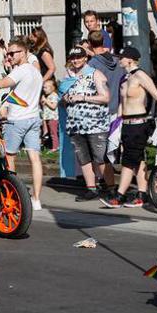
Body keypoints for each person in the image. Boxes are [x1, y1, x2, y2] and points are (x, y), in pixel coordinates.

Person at [0, 39, 45, 202]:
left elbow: (1, 83)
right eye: (8, 53)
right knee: (35, 158)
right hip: (33, 118)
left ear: (24, 52)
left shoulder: (21, 70)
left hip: (17, 120)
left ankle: (14, 195)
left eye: (13, 53)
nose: (9, 56)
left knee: (10, 157)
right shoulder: (35, 72)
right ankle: (36, 198)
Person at [105, 48, 157, 209]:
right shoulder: (124, 78)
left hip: (139, 124)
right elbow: (122, 103)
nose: (119, 60)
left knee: (129, 161)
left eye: (121, 57)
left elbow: (156, 95)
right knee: (137, 159)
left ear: (130, 60)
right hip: (126, 124)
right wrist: (117, 126)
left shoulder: (140, 76)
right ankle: (142, 194)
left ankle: (119, 196)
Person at [58, 47, 110, 200]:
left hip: (95, 124)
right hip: (75, 124)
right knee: (84, 158)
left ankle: (111, 188)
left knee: (100, 158)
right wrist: (65, 98)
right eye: (73, 58)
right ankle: (91, 189)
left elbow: (105, 97)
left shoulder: (95, 74)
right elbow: (61, 99)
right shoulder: (68, 76)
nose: (75, 60)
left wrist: (83, 97)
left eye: (79, 57)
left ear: (85, 58)